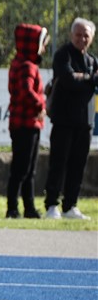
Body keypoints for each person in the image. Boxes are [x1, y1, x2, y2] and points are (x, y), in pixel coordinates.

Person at [44, 17, 97, 220]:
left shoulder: (92, 60)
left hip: (85, 122)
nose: (82, 39)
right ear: (71, 35)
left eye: (86, 35)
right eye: (78, 34)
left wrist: (82, 78)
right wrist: (89, 79)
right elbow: (68, 80)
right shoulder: (62, 55)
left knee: (78, 165)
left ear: (91, 38)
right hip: (63, 120)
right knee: (58, 163)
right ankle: (51, 205)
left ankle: (70, 205)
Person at [6, 24, 49, 219]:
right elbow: (26, 91)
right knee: (23, 169)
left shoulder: (21, 63)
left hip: (25, 123)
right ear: (33, 44)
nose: (44, 49)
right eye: (42, 44)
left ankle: (28, 207)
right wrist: (41, 104)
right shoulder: (27, 66)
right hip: (25, 123)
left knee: (27, 169)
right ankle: (13, 208)